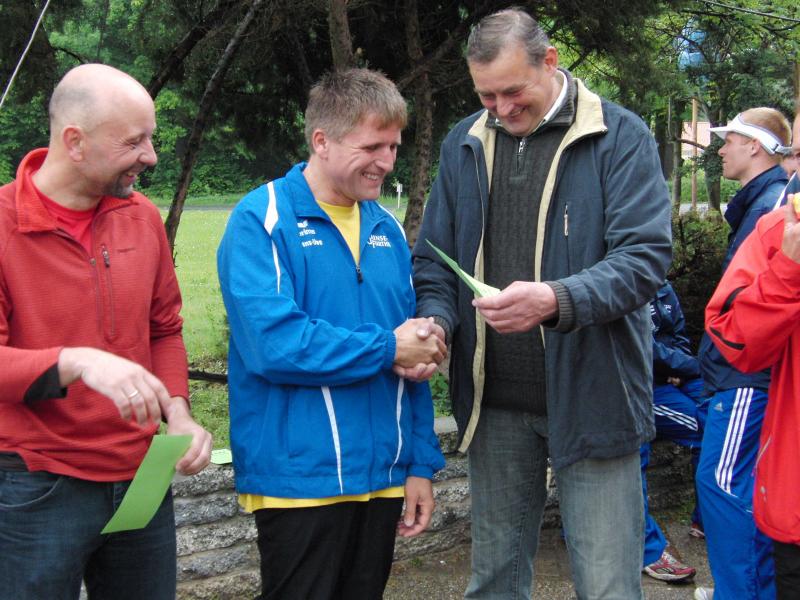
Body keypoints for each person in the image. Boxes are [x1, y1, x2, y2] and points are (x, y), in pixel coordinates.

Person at [411, 8, 672, 598]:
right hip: (495, 405)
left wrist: (556, 299)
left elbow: (644, 259)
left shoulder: (619, 135)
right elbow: (433, 260)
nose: (501, 109)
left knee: (607, 586)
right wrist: (436, 319)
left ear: (550, 61)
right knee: (493, 583)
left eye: (513, 91)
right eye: (486, 95)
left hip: (595, 399)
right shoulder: (463, 141)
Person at [217, 68, 446, 600]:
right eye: (371, 147)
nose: (386, 162)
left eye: (393, 146)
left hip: (383, 477)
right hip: (301, 482)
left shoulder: (386, 227)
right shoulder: (261, 219)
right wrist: (388, 347)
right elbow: (275, 344)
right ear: (321, 141)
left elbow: (412, 358)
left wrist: (420, 464)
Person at [0, 64, 212, 599]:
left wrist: (178, 414)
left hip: (142, 478)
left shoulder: (141, 217)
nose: (151, 155)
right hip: (34, 482)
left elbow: (164, 330)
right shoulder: (3, 224)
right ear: (75, 142)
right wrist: (77, 361)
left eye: (151, 138)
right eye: (134, 141)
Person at [694, 107, 791, 600]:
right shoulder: (765, 202)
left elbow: (748, 309)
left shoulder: (771, 208)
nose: (720, 149)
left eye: (728, 140)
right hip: (744, 375)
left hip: (748, 376)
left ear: (755, 146)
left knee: (724, 485)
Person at [641, 281, 704, 583]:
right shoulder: (623, 280)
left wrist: (681, 369)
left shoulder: (663, 287)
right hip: (642, 385)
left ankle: (707, 519)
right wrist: (685, 367)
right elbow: (641, 346)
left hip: (673, 375)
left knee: (720, 414)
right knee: (704, 426)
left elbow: (679, 336)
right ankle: (645, 548)